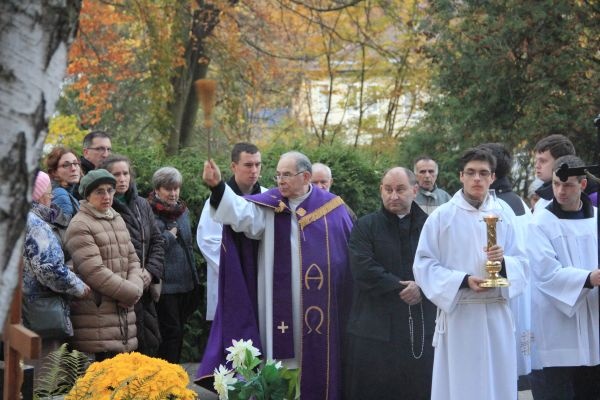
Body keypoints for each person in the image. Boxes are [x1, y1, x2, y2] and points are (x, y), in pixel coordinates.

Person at [197, 151, 354, 400]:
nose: (280, 180)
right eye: (278, 174)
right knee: (281, 366)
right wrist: (216, 186)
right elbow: (239, 212)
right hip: (277, 307)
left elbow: (346, 254)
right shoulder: (269, 207)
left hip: (320, 308)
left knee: (317, 362)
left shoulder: (331, 207)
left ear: (305, 177)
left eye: (287, 175)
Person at [413, 148, 528, 400]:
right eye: (471, 173)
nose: (477, 178)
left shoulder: (505, 215)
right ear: (461, 176)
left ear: (493, 177)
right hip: (461, 314)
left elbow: (523, 261)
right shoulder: (442, 217)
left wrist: (504, 263)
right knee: (462, 387)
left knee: (498, 384)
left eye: (483, 173)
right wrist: (463, 281)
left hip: (497, 312)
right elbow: (423, 264)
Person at [344, 167, 436, 400]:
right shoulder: (366, 226)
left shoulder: (431, 226)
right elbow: (362, 267)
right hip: (374, 329)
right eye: (388, 189)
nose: (393, 196)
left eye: (400, 189)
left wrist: (421, 288)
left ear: (415, 190)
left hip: (419, 327)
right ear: (381, 191)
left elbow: (440, 267)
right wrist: (402, 286)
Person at [528, 155, 600, 399]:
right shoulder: (540, 223)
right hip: (557, 328)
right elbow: (546, 273)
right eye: (557, 184)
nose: (560, 191)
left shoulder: (597, 219)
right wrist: (589, 278)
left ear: (581, 185)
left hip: (594, 326)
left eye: (568, 185)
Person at [65, 169, 143, 361]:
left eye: (110, 190)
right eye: (99, 191)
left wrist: (135, 290)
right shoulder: (80, 225)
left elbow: (133, 259)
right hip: (96, 316)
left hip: (123, 314)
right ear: (87, 195)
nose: (106, 196)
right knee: (102, 383)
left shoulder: (116, 218)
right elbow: (94, 271)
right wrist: (131, 293)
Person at [22, 172, 90, 370]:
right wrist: (79, 287)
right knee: (42, 374)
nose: (51, 198)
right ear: (38, 196)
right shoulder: (34, 224)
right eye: (49, 194)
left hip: (14, 310)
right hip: (38, 313)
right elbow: (49, 270)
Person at [477, 142, 533, 379]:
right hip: (519, 290)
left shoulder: (495, 207)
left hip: (498, 293)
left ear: (493, 173)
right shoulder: (518, 201)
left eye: (482, 170)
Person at [101, 155, 165, 357]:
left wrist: (151, 272)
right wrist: (134, 280)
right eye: (116, 174)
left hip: (145, 288)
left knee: (149, 346)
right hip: (120, 291)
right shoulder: (103, 207)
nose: (122, 179)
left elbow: (157, 241)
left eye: (125, 173)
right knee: (123, 353)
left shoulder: (142, 205)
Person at [196, 142, 265, 321]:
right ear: (234, 166)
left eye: (258, 164)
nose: (254, 170)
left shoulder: (267, 197)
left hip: (261, 280)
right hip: (231, 280)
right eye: (248, 165)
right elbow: (208, 242)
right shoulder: (216, 201)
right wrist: (237, 271)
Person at [149, 166, 200, 363]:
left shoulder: (182, 211)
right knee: (171, 332)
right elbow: (152, 246)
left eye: (176, 188)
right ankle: (166, 379)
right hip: (165, 285)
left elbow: (188, 246)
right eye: (168, 189)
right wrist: (169, 236)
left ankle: (174, 376)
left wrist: (195, 279)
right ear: (157, 190)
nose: (173, 193)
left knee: (178, 333)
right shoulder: (149, 211)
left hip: (186, 283)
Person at [533, 134, 575, 211]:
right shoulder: (543, 199)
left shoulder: (571, 201)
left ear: (561, 162)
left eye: (542, 161)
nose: (537, 166)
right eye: (536, 161)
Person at [45, 146, 81, 218]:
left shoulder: (66, 192)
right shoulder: (61, 195)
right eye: (66, 165)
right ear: (54, 172)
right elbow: (64, 228)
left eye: (75, 163)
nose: (73, 168)